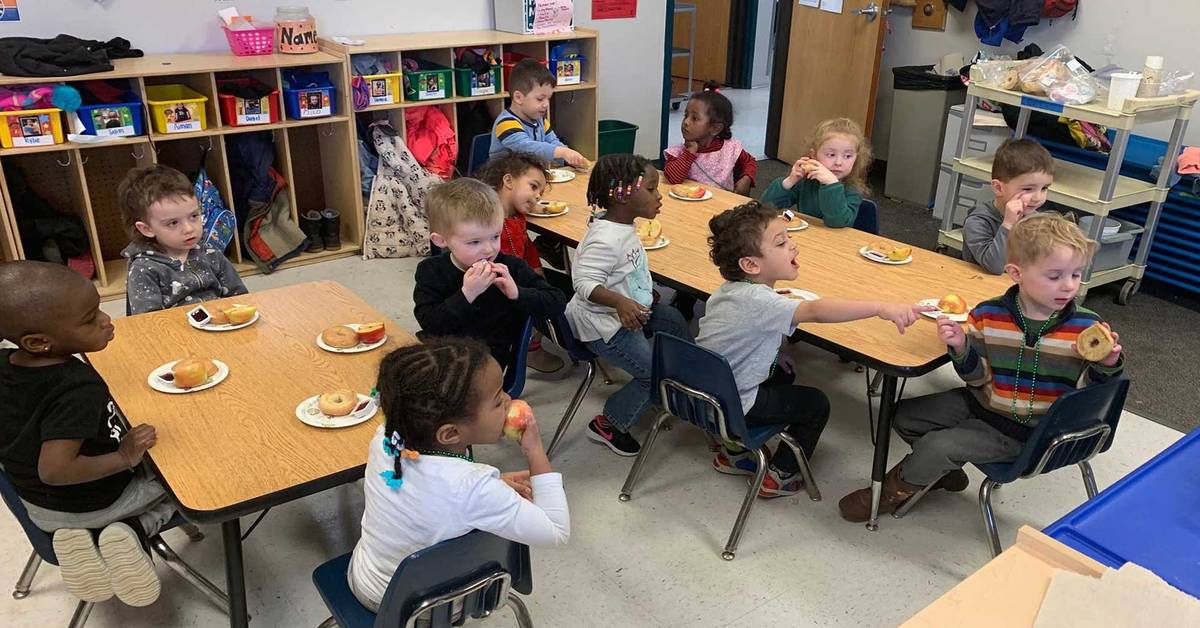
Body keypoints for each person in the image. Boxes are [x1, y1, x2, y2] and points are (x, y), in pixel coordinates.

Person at [838, 213, 1126, 521]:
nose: (1069, 286)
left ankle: (892, 491)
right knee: (902, 416)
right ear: (1016, 273)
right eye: (1055, 276)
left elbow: (1089, 396)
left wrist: (1107, 363)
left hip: (1028, 431)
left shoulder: (1086, 326)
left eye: (1076, 274)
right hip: (982, 403)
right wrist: (961, 347)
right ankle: (940, 471)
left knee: (938, 445)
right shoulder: (987, 315)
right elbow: (976, 379)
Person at [697, 202, 930, 496]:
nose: (793, 245)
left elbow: (737, 338)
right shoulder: (762, 302)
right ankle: (781, 474)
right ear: (751, 265)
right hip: (732, 404)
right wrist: (880, 308)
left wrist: (775, 353)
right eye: (781, 243)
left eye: (789, 237)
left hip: (703, 395)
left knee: (783, 373)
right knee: (816, 404)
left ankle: (732, 452)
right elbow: (816, 311)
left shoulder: (728, 291)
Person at [0, 261, 176, 607]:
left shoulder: (5, 363)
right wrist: (125, 456)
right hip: (98, 503)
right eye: (90, 319)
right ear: (39, 342)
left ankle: (82, 539)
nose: (107, 320)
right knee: (180, 484)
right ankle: (135, 529)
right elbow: (56, 470)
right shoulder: (76, 387)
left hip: (36, 506)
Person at [348, 338, 569, 612]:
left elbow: (432, 489)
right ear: (451, 433)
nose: (508, 400)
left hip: (364, 578)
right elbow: (556, 531)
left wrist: (495, 484)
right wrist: (534, 448)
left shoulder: (388, 437)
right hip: (421, 609)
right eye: (497, 401)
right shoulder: (473, 488)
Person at [564, 154, 692, 457]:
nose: (659, 196)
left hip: (628, 311)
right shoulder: (606, 239)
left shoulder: (623, 225)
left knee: (673, 319)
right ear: (622, 195)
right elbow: (583, 283)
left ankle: (683, 387)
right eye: (651, 189)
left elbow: (626, 269)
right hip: (604, 325)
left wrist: (642, 292)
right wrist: (621, 301)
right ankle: (609, 423)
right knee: (652, 374)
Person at [413, 178, 567, 370]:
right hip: (443, 356)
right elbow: (430, 324)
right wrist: (466, 295)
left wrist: (517, 293)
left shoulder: (511, 267)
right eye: (474, 242)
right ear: (441, 240)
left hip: (488, 363)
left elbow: (556, 300)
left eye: (495, 237)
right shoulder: (431, 271)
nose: (488, 249)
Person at [477, 152, 566, 373]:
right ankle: (529, 349)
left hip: (517, 280)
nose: (537, 197)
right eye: (533, 187)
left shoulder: (516, 216)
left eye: (540, 192)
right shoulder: (485, 221)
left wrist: (537, 275)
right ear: (508, 181)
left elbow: (527, 248)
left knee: (550, 293)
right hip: (493, 291)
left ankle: (533, 341)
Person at [118, 165, 247, 315]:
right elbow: (149, 322)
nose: (189, 229)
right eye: (173, 223)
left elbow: (240, 299)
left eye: (194, 216)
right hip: (174, 329)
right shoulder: (144, 269)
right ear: (147, 229)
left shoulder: (212, 254)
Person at [962, 138, 1055, 274]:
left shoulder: (1035, 220)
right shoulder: (978, 221)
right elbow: (994, 267)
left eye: (1044, 188)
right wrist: (1008, 225)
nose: (1038, 197)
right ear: (998, 188)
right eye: (1028, 189)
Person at [760, 117, 873, 228]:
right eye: (831, 155)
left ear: (856, 158)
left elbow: (838, 222)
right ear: (814, 155)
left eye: (847, 156)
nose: (839, 162)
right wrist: (789, 181)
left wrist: (832, 185)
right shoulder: (806, 181)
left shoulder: (852, 189)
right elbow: (766, 206)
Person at [663, 82, 757, 196]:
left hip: (723, 203)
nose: (686, 122)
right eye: (685, 116)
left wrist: (746, 178)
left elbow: (749, 161)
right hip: (688, 204)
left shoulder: (730, 149)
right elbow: (673, 178)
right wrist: (690, 152)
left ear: (715, 128)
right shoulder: (678, 153)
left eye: (694, 118)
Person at [488, 59, 587, 167]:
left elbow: (553, 142)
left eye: (548, 99)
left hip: (532, 174)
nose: (546, 104)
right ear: (518, 97)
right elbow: (528, 148)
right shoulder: (506, 123)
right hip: (505, 176)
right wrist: (563, 152)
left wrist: (570, 159)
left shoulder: (540, 120)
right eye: (540, 99)